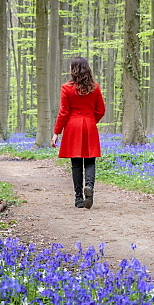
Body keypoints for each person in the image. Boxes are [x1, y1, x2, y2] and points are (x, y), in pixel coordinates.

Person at [51, 56, 106, 208]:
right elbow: (101, 110)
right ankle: (90, 187)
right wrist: (90, 120)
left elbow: (63, 112)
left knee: (76, 164)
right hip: (89, 125)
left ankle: (78, 198)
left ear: (73, 70)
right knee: (90, 160)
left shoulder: (66, 88)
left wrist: (56, 133)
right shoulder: (95, 88)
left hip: (72, 127)